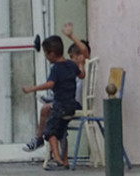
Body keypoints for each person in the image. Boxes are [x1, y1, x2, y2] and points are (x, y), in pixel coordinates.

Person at [23, 23, 90, 152]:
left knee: (47, 110)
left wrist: (71, 36)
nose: (70, 59)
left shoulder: (78, 67)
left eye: (72, 57)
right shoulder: (72, 68)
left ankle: (39, 139)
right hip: (67, 102)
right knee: (55, 117)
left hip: (73, 104)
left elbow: (85, 51)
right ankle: (56, 153)